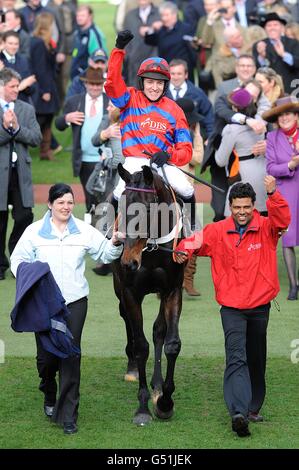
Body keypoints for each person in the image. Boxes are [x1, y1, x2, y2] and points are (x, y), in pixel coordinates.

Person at [174, 176, 291, 437]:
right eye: (237, 207)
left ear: (253, 205)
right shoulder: (217, 231)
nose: (241, 212)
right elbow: (194, 241)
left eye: (246, 207)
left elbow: (283, 220)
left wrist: (273, 195)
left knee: (256, 358)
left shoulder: (267, 227)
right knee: (236, 356)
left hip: (260, 305)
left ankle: (253, 407)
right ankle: (238, 413)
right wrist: (182, 249)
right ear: (230, 207)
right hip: (231, 307)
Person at [10, 183, 124, 434]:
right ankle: (49, 390)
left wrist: (115, 241)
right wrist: (32, 277)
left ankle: (69, 414)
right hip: (43, 303)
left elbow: (105, 254)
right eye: (60, 202)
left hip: (75, 302)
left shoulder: (83, 230)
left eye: (70, 202)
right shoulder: (33, 233)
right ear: (50, 205)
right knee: (47, 358)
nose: (66, 207)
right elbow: (16, 261)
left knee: (71, 355)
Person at [105, 29, 195, 226]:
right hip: (134, 162)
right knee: (119, 192)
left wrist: (169, 155)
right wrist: (118, 49)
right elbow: (112, 83)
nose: (154, 87)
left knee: (187, 190)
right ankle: (108, 233)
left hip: (163, 164)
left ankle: (191, 233)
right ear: (142, 82)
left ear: (166, 85)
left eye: (159, 83)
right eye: (150, 82)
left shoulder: (175, 110)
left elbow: (186, 150)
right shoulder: (129, 99)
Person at [0, 67, 42, 281]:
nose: (17, 90)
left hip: (20, 174)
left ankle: (17, 259)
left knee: (25, 215)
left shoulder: (26, 109)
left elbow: (36, 138)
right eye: (13, 86)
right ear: (2, 86)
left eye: (18, 86)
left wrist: (16, 129)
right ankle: (0, 263)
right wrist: (7, 130)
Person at [55, 67, 108, 212]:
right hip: (84, 160)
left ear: (103, 84)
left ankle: (107, 231)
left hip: (105, 160)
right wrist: (67, 118)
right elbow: (58, 124)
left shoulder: (110, 102)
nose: (95, 87)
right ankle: (91, 228)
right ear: (85, 84)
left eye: (98, 84)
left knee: (106, 198)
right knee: (90, 199)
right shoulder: (74, 101)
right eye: (92, 84)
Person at [263, 95, 299, 300]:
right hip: (286, 192)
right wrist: (291, 165)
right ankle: (294, 285)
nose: (284, 118)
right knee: (288, 238)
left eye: (288, 113)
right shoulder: (272, 138)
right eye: (280, 115)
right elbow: (270, 168)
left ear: (295, 115)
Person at [215, 88, 267, 217]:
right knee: (261, 219)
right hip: (263, 171)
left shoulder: (231, 129)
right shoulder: (260, 122)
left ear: (234, 108)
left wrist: (216, 147)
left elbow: (220, 161)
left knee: (235, 218)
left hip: (242, 176)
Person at [176, 97, 203, 296]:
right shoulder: (168, 130)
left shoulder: (195, 132)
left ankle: (189, 277)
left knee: (194, 234)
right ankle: (169, 277)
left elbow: (198, 158)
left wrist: (183, 152)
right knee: (170, 236)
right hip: (169, 190)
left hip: (188, 190)